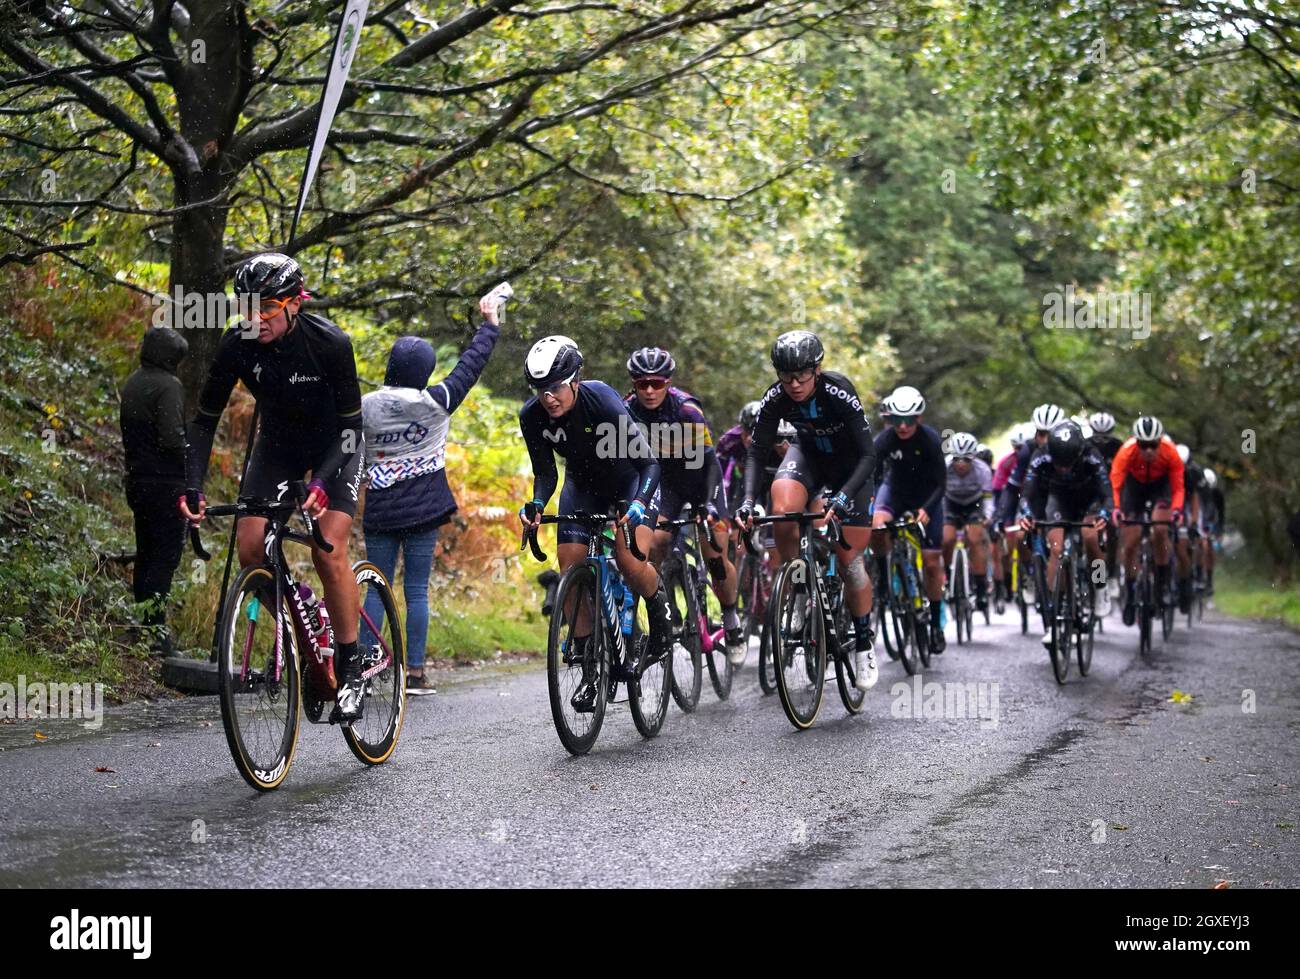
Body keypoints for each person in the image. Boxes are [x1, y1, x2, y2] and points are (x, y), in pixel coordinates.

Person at [180, 253, 368, 724]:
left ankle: (352, 667)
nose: (254, 318)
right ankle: (301, 612)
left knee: (327, 550)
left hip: (336, 449)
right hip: (279, 447)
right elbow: (204, 422)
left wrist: (324, 481)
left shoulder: (330, 344)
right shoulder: (237, 345)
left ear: (294, 304)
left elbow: (351, 425)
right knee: (250, 549)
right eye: (245, 306)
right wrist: (192, 485)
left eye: (266, 306)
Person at [517, 335, 671, 713]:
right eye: (540, 390)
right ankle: (590, 666)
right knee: (568, 564)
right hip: (582, 487)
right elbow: (546, 473)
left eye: (554, 388)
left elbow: (649, 463)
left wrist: (637, 504)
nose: (547, 397)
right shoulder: (531, 416)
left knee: (630, 560)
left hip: (629, 482)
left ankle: (662, 624)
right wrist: (537, 503)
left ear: (573, 381)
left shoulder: (599, 398)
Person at [360, 292, 502, 693]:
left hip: (382, 508)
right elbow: (470, 367)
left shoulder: (366, 405)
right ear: (424, 371)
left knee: (376, 583)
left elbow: (346, 448)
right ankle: (416, 673)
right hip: (425, 509)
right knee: (416, 589)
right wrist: (489, 326)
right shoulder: (436, 401)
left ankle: (365, 671)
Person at [735, 330, 879, 689]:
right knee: (782, 512)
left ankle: (863, 641)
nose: (794, 384)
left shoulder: (838, 391)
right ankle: (798, 586)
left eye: (802, 375)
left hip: (851, 467)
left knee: (850, 562)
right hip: (810, 457)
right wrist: (749, 501)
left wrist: (844, 496)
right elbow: (756, 451)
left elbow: (868, 454)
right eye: (786, 376)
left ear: (817, 369)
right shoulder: (775, 397)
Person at [623, 347, 745, 666]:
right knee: (657, 541)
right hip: (666, 485)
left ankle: (731, 621)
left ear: (669, 383)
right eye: (642, 383)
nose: (649, 390)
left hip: (701, 481)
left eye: (657, 383)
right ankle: (664, 605)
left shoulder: (687, 410)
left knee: (716, 554)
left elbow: (709, 463)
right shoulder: (627, 409)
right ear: (634, 384)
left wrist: (709, 505)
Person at [119, 327, 190, 656]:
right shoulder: (169, 386)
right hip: (166, 484)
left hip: (138, 481)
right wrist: (191, 465)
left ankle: (145, 626)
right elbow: (173, 439)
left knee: (145, 553)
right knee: (164, 557)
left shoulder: (133, 383)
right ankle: (157, 635)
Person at [1017, 420, 1111, 647]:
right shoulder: (1041, 454)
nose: (1064, 468)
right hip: (1059, 500)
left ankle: (1100, 586)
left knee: (1091, 539)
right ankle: (1055, 614)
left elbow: (1106, 491)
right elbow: (1027, 493)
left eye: (1069, 463)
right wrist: (1027, 514)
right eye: (1059, 463)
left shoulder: (1092, 454)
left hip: (1090, 501)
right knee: (1056, 549)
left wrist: (1105, 514)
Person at [870, 385, 947, 652]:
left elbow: (941, 483)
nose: (902, 427)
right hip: (895, 492)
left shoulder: (931, 440)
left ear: (919, 418)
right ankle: (882, 576)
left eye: (909, 421)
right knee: (877, 526)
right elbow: (874, 476)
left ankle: (936, 624)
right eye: (897, 421)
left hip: (928, 497)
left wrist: (926, 508)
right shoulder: (884, 440)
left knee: (931, 562)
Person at [1110, 415, 1184, 625]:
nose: (1149, 451)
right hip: (1134, 488)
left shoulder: (1170, 452)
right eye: (1144, 445)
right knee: (1131, 542)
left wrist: (1177, 510)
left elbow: (1178, 487)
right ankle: (1132, 592)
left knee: (1160, 530)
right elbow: (1115, 484)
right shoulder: (1126, 452)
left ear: (1160, 442)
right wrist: (1116, 509)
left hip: (1161, 488)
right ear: (1137, 443)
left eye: (1153, 445)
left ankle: (1160, 585)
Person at [941, 433, 994, 613]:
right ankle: (948, 577)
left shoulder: (983, 469)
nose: (961, 463)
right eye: (957, 459)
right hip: (950, 503)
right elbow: (937, 493)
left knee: (975, 539)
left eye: (966, 459)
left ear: (974, 458)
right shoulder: (944, 466)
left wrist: (987, 515)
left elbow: (987, 497)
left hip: (974, 504)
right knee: (946, 539)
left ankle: (980, 589)